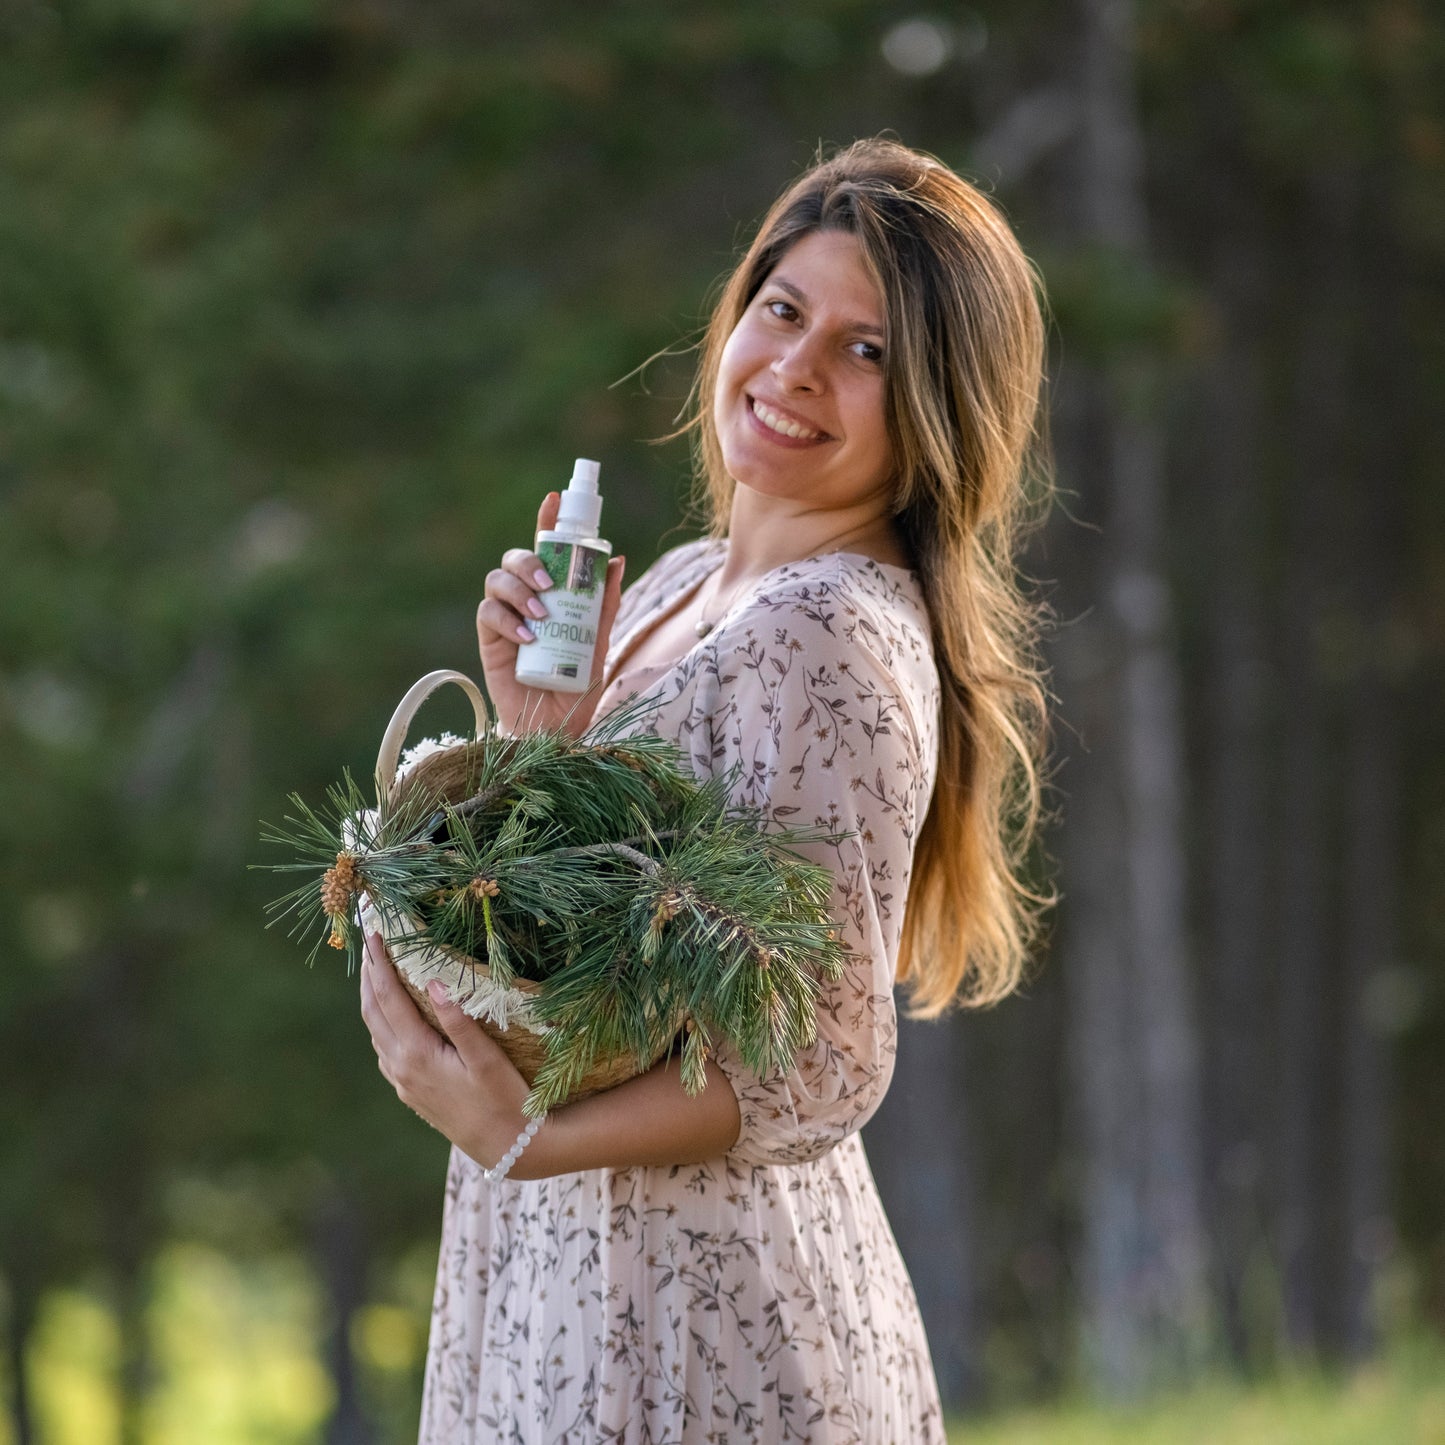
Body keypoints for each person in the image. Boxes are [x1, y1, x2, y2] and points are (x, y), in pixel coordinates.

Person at [359, 137, 1050, 1443]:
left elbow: (824, 1056)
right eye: (783, 311)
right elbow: (600, 933)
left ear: (938, 411)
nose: (795, 367)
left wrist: (522, 1137)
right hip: (573, 1274)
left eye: (868, 352)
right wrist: (533, 734)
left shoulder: (824, 632)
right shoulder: (680, 585)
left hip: (692, 1320)